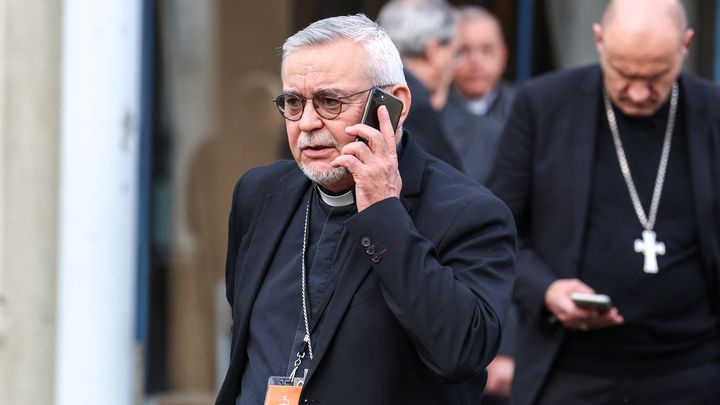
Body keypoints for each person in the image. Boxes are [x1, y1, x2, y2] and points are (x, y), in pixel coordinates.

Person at [215, 14, 516, 405]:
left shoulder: (470, 213)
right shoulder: (258, 195)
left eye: (329, 101)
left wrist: (385, 213)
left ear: (393, 105)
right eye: (293, 102)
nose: (306, 123)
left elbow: (460, 352)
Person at [488, 0, 720, 404]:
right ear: (599, 41)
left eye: (657, 77)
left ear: (686, 45)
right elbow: (495, 230)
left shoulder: (712, 113)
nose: (638, 91)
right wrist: (547, 290)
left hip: (695, 368)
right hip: (570, 371)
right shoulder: (543, 106)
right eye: (624, 73)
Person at [378, 0, 464, 170]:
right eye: (456, 53)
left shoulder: (374, 89)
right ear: (434, 51)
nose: (457, 63)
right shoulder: (413, 105)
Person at [442, 5, 515, 185]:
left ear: (503, 56)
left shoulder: (524, 108)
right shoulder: (434, 114)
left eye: (487, 49)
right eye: (463, 50)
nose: (476, 61)